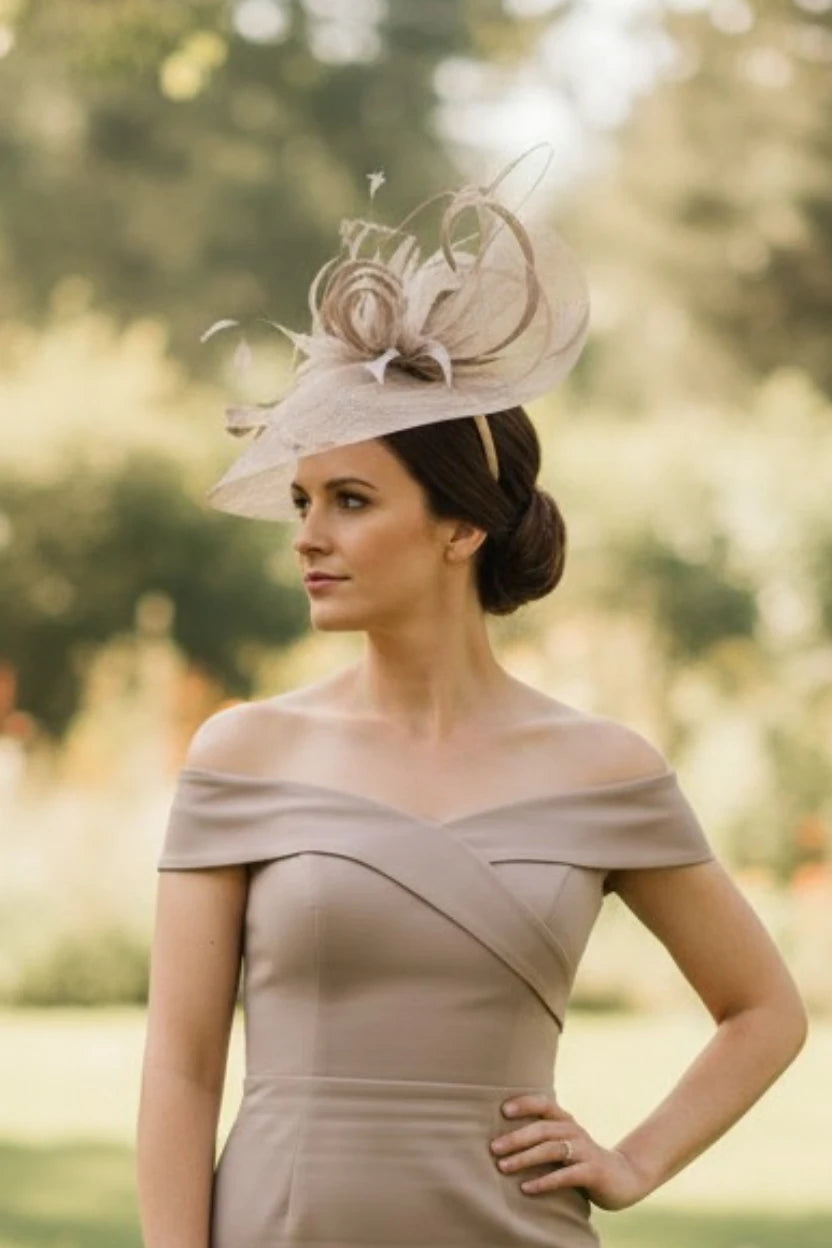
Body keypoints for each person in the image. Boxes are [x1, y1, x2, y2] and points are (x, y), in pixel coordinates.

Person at [136, 145, 808, 1247]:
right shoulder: (242, 753)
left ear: (460, 524)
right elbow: (181, 1063)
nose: (307, 535)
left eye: (350, 500)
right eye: (303, 499)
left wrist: (632, 1161)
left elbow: (764, 1012)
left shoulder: (606, 769)